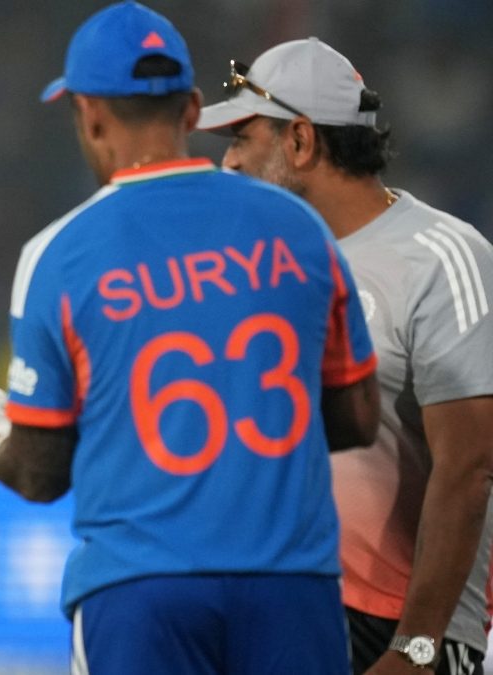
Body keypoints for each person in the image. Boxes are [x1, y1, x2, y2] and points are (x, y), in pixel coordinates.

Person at [0, 3, 382, 673]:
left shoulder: (58, 253)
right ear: (192, 110)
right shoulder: (299, 229)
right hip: (293, 586)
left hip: (140, 590)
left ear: (88, 113)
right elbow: (356, 418)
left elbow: (40, 473)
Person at [198, 37, 493, 675]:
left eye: (242, 139)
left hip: (402, 630)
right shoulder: (264, 266)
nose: (227, 163)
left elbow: (469, 469)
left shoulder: (443, 257)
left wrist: (416, 648)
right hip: (285, 609)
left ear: (301, 142)